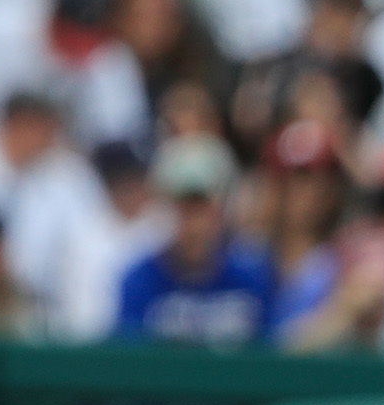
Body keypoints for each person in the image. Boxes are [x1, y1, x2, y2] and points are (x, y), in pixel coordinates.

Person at [114, 136, 275, 346]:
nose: (193, 223)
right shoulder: (138, 281)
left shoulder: (252, 278)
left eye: (201, 208)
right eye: (182, 208)